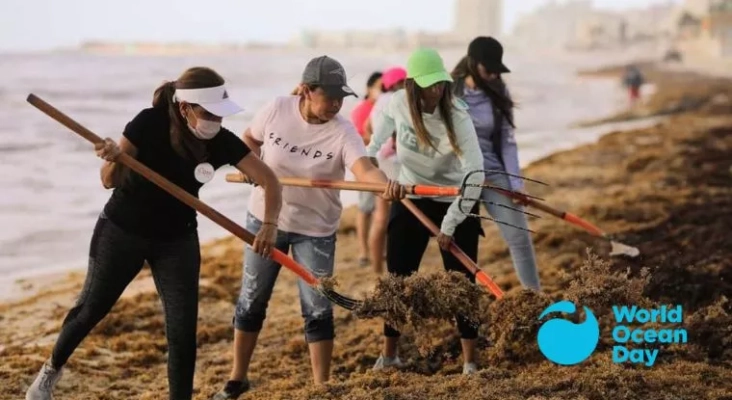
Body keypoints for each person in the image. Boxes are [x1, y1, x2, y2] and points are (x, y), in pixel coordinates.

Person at [25, 67, 283, 400]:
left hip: (177, 239)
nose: (216, 120)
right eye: (209, 112)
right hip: (123, 230)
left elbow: (270, 180)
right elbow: (109, 180)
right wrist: (114, 158)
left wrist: (269, 224)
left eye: (221, 113)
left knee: (182, 329)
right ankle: (51, 371)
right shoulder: (148, 123)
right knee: (92, 308)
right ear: (185, 107)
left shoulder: (219, 140)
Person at [213, 56, 405, 399]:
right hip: (263, 218)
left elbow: (363, 169)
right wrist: (250, 166)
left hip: (315, 228)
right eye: (328, 96)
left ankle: (322, 387)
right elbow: (248, 140)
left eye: (340, 97)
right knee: (251, 301)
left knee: (317, 307)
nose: (335, 104)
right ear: (305, 91)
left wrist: (384, 184)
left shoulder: (343, 130)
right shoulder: (276, 109)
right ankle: (237, 378)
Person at [366, 48, 485, 375]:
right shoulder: (397, 105)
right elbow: (374, 146)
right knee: (397, 279)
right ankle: (390, 355)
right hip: (412, 193)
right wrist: (381, 175)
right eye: (429, 85)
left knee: (461, 283)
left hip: (455, 197)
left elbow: (476, 174)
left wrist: (450, 224)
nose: (436, 90)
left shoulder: (457, 115)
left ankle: (470, 361)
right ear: (412, 85)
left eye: (440, 84)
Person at [451, 36, 541, 291]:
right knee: (460, 247)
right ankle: (466, 313)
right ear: (472, 63)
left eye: (495, 69)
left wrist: (516, 183)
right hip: (455, 179)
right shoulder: (448, 91)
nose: (492, 74)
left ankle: (534, 298)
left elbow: (507, 142)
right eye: (487, 68)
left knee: (520, 237)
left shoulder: (498, 92)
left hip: (492, 174)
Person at [364, 66, 407, 274]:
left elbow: (367, 127)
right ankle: (391, 269)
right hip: (394, 161)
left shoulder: (379, 100)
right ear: (399, 83)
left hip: (380, 159)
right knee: (396, 215)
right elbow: (400, 130)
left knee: (380, 215)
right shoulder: (398, 99)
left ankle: (376, 270)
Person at [350, 71, 384, 267]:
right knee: (365, 207)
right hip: (365, 162)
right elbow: (355, 138)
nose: (382, 90)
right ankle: (363, 251)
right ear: (369, 89)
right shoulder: (361, 109)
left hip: (382, 160)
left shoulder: (383, 107)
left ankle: (378, 250)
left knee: (381, 209)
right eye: (378, 86)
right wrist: (379, 140)